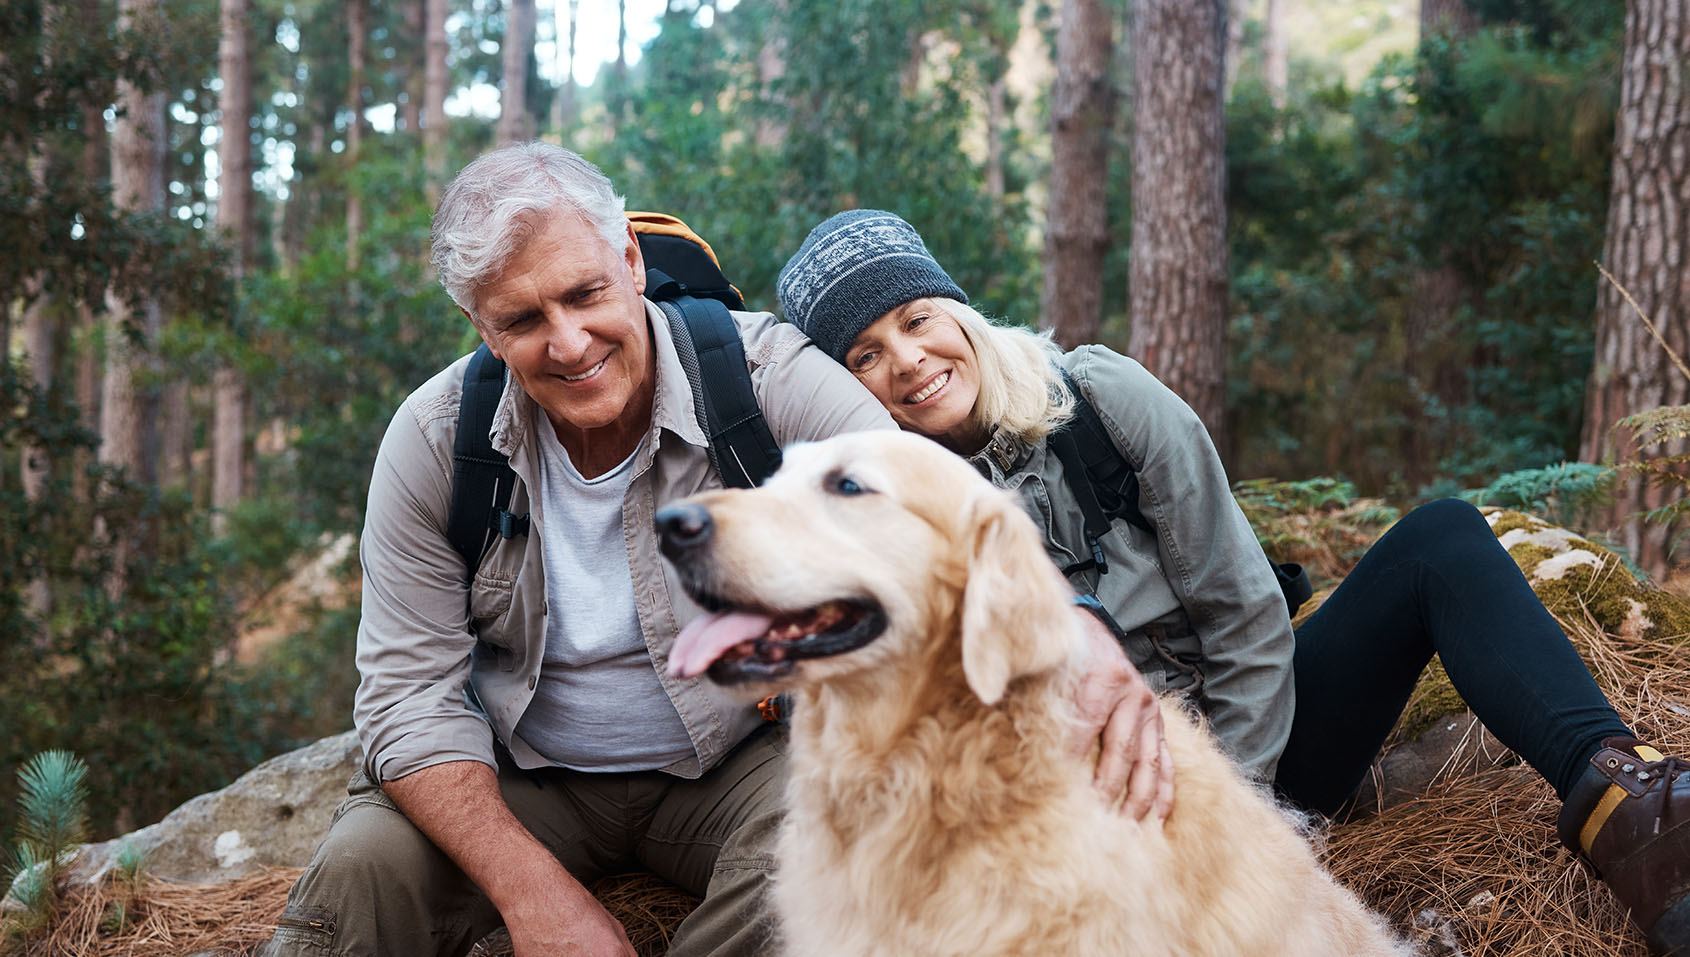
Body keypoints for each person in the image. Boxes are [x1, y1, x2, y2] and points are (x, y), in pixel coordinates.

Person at [777, 208, 1690, 956]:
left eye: (915, 318)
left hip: (1256, 744)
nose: (905, 358)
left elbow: (1245, 612)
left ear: (957, 311)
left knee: (1441, 539)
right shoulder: (888, 515)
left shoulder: (1097, 398)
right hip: (1079, 814)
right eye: (863, 355)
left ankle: (1637, 812)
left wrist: (1240, 814)